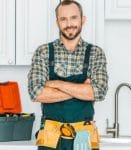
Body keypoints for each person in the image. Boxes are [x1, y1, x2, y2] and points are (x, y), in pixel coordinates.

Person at [28, 0, 108, 150]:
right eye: (63, 19)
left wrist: (56, 84)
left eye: (73, 17)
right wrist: (82, 90)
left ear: (82, 19)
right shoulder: (43, 52)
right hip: (50, 137)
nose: (69, 23)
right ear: (57, 22)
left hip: (83, 136)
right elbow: (36, 93)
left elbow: (99, 91)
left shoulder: (96, 53)